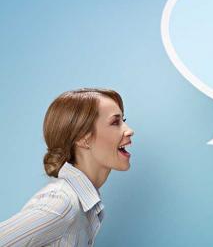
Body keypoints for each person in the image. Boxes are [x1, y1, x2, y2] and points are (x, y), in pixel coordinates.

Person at [0, 88, 134, 246]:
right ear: (83, 138)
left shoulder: (84, 205)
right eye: (115, 122)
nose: (129, 130)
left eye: (123, 120)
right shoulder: (62, 205)